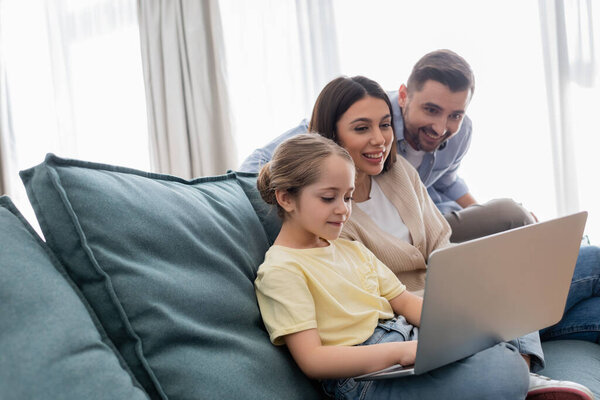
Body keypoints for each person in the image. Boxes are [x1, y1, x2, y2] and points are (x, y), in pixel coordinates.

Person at [254, 133, 592, 400]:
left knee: (504, 305)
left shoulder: (349, 249)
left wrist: (464, 324)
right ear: (286, 198)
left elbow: (405, 303)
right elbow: (313, 360)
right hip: (363, 377)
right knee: (503, 370)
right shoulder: (282, 270)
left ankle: (517, 371)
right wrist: (402, 351)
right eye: (329, 197)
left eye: (348, 196)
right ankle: (521, 379)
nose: (343, 209)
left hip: (410, 339)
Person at [240, 49, 536, 243]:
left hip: (430, 221)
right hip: (391, 237)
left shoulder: (456, 134)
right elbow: (268, 160)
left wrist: (485, 217)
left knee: (516, 216)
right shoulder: (358, 113)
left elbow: (448, 181)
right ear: (405, 96)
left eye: (455, 114)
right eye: (431, 110)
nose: (441, 128)